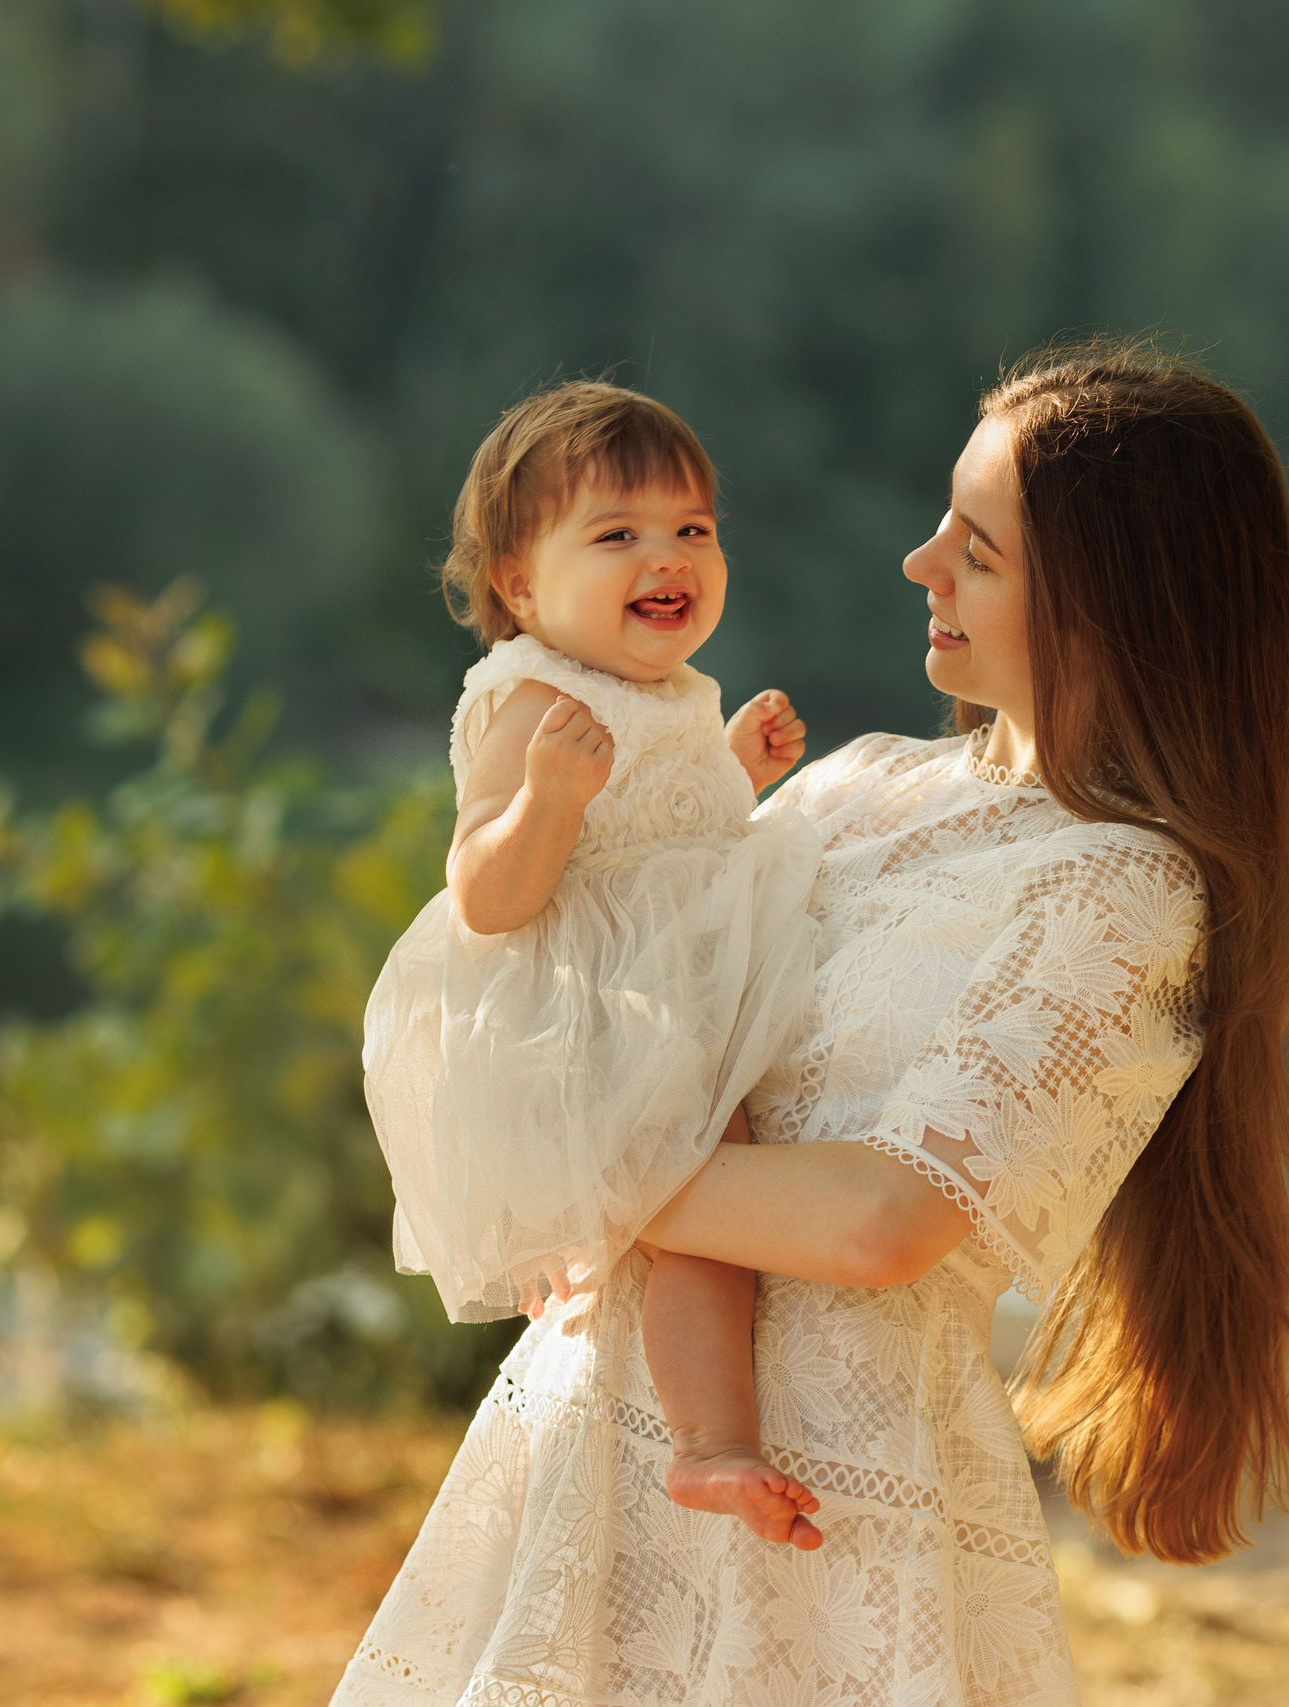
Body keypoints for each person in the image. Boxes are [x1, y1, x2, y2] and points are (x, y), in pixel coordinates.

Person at [337, 339, 1289, 1707]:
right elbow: (626, 992)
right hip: (599, 1425)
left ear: (1114, 602)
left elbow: (883, 1220)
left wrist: (567, 1164)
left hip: (828, 1490)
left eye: (979, 551)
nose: (918, 561)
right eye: (946, 520)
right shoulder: (857, 790)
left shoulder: (1121, 886)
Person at [365, 381, 831, 1549]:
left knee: (712, 1196)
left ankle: (702, 1406)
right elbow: (486, 894)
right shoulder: (533, 697)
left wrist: (728, 768)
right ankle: (710, 1444)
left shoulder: (662, 690)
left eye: (693, 530)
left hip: (674, 989)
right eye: (617, 535)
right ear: (520, 586)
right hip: (593, 1017)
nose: (666, 556)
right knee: (702, 1215)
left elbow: (663, 832)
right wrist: (546, 803)